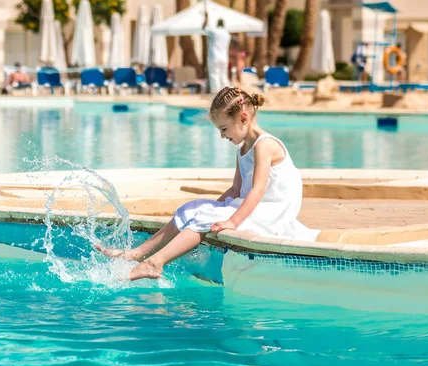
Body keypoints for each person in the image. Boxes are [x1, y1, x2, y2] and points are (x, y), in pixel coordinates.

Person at [97, 86, 320, 280]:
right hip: (252, 206)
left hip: (272, 211)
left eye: (224, 129)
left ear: (243, 118)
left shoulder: (265, 145)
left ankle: (155, 264)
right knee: (193, 209)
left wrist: (232, 221)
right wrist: (211, 208)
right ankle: (137, 254)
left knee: (205, 217)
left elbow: (258, 190)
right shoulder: (242, 147)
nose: (222, 136)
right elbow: (235, 189)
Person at [202, 14, 231, 93]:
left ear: (217, 24)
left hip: (214, 57)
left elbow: (204, 28)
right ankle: (227, 92)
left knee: (214, 75)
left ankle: (216, 93)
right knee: (223, 76)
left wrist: (206, 18)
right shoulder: (227, 34)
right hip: (224, 58)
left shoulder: (215, 31)